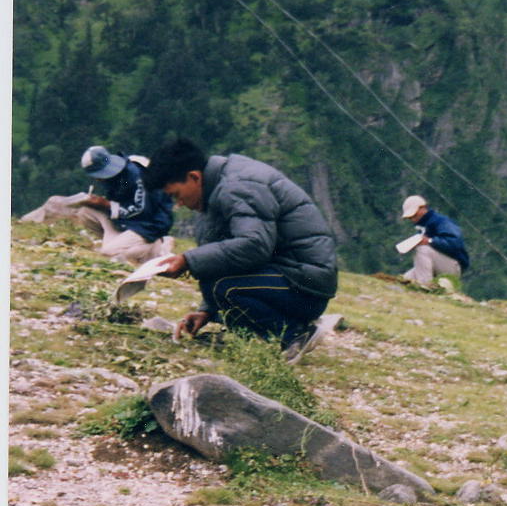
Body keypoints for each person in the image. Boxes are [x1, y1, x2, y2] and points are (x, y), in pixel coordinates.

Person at [142, 137, 338, 360]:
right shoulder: (216, 189)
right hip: (289, 279)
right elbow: (219, 257)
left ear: (194, 177)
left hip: (306, 286)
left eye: (176, 195)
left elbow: (254, 245)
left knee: (225, 288)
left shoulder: (237, 187)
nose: (179, 204)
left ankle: (295, 334)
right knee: (216, 283)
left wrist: (188, 260)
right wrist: (206, 311)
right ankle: (264, 335)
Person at [21, 146, 175, 265]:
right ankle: (124, 245)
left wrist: (105, 204)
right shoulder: (119, 176)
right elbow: (124, 199)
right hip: (127, 222)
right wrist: (99, 203)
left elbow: (141, 210)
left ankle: (157, 247)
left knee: (108, 253)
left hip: (148, 225)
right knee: (85, 212)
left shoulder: (136, 176)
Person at [400, 194, 470, 286]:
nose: (413, 219)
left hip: (453, 265)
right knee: (404, 280)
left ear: (422, 208)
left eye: (414, 215)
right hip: (438, 264)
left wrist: (430, 241)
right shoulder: (422, 225)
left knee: (422, 249)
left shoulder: (441, 221)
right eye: (410, 218)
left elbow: (455, 243)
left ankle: (426, 286)